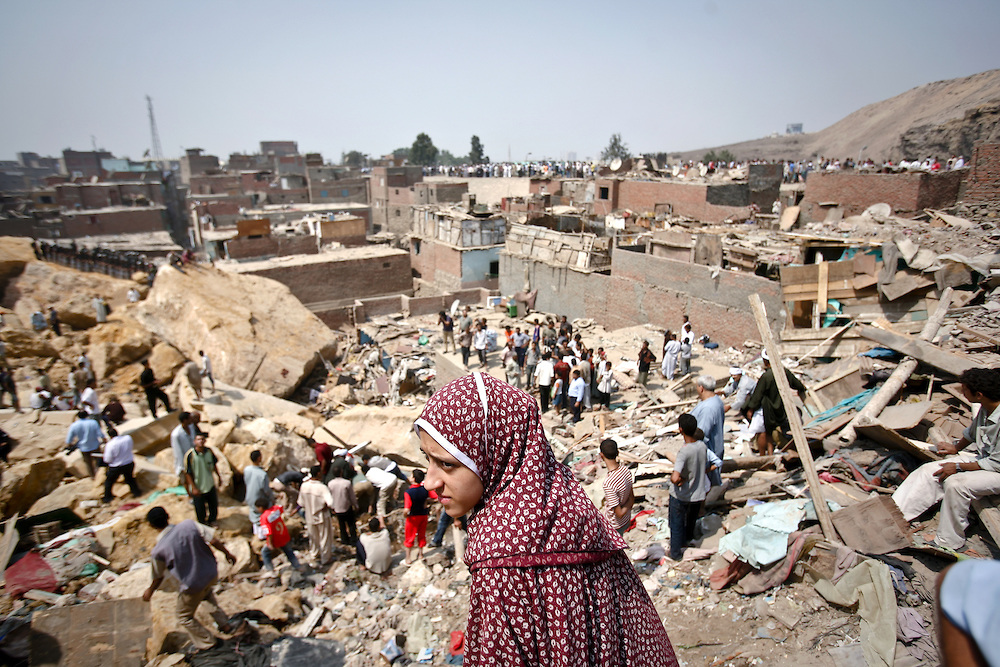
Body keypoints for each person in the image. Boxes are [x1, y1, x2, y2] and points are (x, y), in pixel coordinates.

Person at [413, 372, 677, 666]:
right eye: (428, 459)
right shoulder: (572, 504)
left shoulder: (498, 563)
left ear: (494, 454)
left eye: (446, 464)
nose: (429, 481)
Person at [892, 368, 1000, 550]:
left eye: (964, 390)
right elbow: (973, 432)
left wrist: (958, 467)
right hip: (986, 460)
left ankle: (949, 542)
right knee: (929, 470)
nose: (962, 393)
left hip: (996, 468)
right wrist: (956, 448)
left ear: (979, 395)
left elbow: (995, 464)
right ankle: (894, 515)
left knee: (957, 485)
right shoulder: (987, 408)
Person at [142, 507, 238, 651]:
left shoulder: (158, 550)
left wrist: (149, 591)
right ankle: (224, 624)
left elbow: (158, 576)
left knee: (183, 616)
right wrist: (228, 554)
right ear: (168, 516)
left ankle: (208, 642)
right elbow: (214, 540)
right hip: (210, 572)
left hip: (192, 583)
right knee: (206, 595)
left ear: (151, 526)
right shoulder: (189, 525)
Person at [744, 349, 806, 455]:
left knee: (763, 432)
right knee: (772, 431)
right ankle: (772, 454)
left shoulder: (766, 376)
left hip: (768, 408)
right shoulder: (785, 372)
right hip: (782, 407)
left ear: (765, 361)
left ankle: (764, 456)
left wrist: (750, 408)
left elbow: (757, 395)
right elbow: (798, 385)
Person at [670, 414, 709, 561]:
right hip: (698, 493)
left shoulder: (684, 451)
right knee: (690, 521)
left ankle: (676, 554)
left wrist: (679, 479)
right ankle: (688, 542)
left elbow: (675, 477)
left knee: (676, 524)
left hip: (681, 495)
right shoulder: (702, 446)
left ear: (680, 430)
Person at [255, 499, 302, 577]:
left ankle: (270, 570)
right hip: (283, 534)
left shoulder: (264, 517)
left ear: (261, 508)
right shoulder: (275, 509)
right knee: (288, 551)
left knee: (265, 552)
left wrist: (270, 543)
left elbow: (268, 532)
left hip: (275, 539)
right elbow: (281, 508)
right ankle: (297, 565)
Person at [298, 466, 335, 565]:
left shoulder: (304, 486)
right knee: (324, 537)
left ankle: (314, 554)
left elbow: (300, 503)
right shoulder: (322, 487)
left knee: (313, 537)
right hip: (321, 515)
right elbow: (331, 503)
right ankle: (325, 558)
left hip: (309, 515)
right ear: (318, 474)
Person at [184, 434, 222, 525]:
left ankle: (212, 520)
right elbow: (188, 473)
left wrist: (218, 477)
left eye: (202, 439)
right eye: (198, 439)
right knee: (200, 509)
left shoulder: (209, 452)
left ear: (205, 441)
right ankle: (203, 524)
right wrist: (193, 487)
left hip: (209, 483)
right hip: (198, 486)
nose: (200, 441)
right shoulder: (190, 455)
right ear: (194, 442)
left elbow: (214, 465)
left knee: (213, 505)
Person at [600, 439, 634, 536]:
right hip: (626, 519)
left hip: (614, 525)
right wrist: (629, 503)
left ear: (601, 455)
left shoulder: (609, 483)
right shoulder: (625, 470)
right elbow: (631, 497)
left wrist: (627, 505)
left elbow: (619, 513)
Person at [403, 469, 437, 563]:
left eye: (411, 476)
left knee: (410, 536)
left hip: (412, 517)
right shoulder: (425, 489)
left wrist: (405, 515)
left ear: (413, 478)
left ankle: (408, 558)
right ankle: (421, 554)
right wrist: (428, 501)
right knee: (421, 535)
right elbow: (436, 497)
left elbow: (407, 508)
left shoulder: (408, 492)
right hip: (423, 515)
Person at [102, 427, 142, 503]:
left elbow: (107, 459)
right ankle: (137, 493)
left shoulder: (110, 444)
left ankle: (107, 497)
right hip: (129, 463)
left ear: (110, 436)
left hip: (116, 466)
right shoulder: (127, 438)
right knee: (130, 479)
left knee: (109, 482)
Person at [690, 375, 725, 460]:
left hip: (707, 454)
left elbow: (702, 434)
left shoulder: (708, 408)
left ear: (701, 388)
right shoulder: (717, 400)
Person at [65, 410, 105, 478]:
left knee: (88, 464)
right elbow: (99, 433)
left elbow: (69, 438)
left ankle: (93, 477)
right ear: (87, 415)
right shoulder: (93, 422)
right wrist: (104, 439)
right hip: (95, 445)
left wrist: (69, 445)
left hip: (83, 447)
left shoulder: (74, 425)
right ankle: (100, 476)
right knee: (98, 462)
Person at [244, 450, 272, 538]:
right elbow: (266, 490)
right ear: (259, 458)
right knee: (262, 516)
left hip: (249, 497)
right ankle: (262, 535)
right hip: (259, 499)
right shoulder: (262, 474)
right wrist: (272, 498)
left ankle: (256, 533)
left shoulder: (247, 469)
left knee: (253, 514)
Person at [328, 466, 359, 544]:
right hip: (347, 506)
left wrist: (332, 507)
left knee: (342, 525)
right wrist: (355, 505)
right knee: (351, 524)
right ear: (341, 472)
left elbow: (330, 496)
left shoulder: (330, 484)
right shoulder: (347, 483)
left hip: (337, 508)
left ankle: (344, 540)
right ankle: (353, 539)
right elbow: (352, 496)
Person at [364, 461, 398, 526]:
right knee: (390, 495)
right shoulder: (374, 468)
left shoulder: (368, 476)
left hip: (386, 484)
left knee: (381, 501)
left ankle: (382, 516)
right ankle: (395, 506)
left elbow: (372, 487)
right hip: (393, 478)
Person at [170, 412, 196, 484]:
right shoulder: (176, 434)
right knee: (186, 479)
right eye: (190, 418)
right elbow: (177, 451)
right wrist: (183, 465)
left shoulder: (191, 427)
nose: (192, 420)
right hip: (184, 459)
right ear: (185, 420)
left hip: (194, 456)